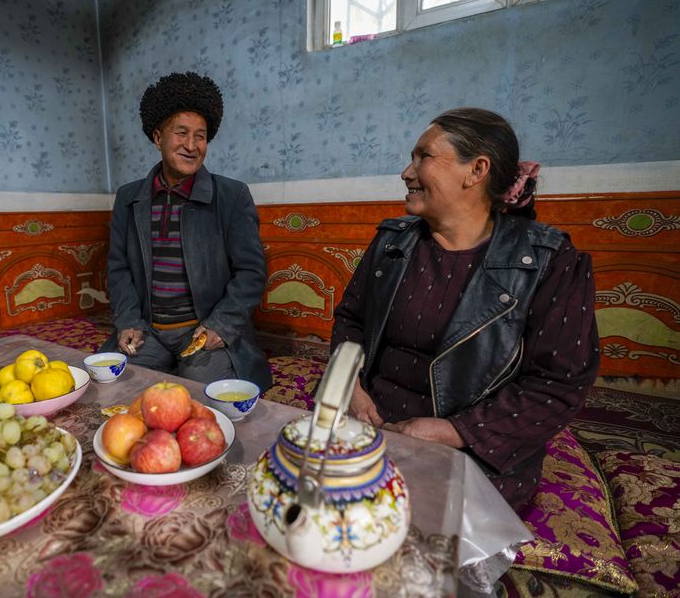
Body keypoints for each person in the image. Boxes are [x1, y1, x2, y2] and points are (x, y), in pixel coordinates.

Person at [331, 107, 599, 510]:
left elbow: (559, 384)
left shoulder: (549, 261)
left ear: (476, 171)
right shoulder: (392, 243)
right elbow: (350, 319)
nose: (406, 172)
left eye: (423, 157)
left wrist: (453, 432)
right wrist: (349, 385)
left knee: (407, 524)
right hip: (368, 427)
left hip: (473, 449)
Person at [103, 71, 272, 390]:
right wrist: (128, 321)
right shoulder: (129, 198)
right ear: (158, 138)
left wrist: (221, 324)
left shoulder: (231, 196)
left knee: (203, 396)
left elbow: (251, 271)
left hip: (202, 332)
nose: (192, 146)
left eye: (201, 136)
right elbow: (118, 268)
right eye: (181, 133)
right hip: (148, 332)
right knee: (116, 386)